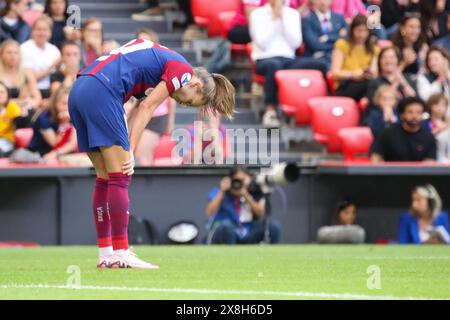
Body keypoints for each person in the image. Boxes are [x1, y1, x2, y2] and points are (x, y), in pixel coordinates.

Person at [69, 38, 235, 269]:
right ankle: (121, 251)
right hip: (102, 91)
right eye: (192, 103)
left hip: (80, 90)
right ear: (196, 87)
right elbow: (147, 108)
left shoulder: (161, 63)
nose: (184, 104)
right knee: (120, 176)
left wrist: (123, 142)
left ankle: (106, 253)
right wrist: (130, 151)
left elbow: (138, 107)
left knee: (104, 177)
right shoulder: (183, 71)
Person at [250, 0, 327, 128]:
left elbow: (295, 43)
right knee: (274, 66)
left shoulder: (292, 14)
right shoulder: (258, 14)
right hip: (264, 59)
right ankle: (270, 110)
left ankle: (321, 111)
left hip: (288, 59)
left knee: (321, 65)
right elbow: (262, 42)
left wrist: (283, 18)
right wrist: (275, 19)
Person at [205, 167, 281, 244]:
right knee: (227, 226)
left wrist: (246, 195)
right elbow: (209, 212)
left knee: (273, 226)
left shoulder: (254, 191)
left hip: (248, 229)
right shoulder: (220, 191)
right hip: (227, 229)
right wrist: (222, 191)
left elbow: (260, 213)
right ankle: (230, 255)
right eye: (236, 180)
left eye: (242, 180)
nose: (239, 183)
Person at [133, 30, 176, 166]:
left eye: (146, 42)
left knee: (142, 153)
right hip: (138, 113)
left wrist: (170, 121)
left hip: (157, 116)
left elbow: (171, 94)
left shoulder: (161, 65)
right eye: (139, 42)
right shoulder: (133, 65)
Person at [370, 96, 437, 162]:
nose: (414, 116)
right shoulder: (388, 133)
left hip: (419, 173)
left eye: (419, 112)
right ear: (402, 115)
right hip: (391, 172)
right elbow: (376, 156)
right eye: (410, 112)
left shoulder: (428, 137)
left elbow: (430, 161)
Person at [331, 15, 379, 102]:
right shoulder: (342, 45)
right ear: (352, 30)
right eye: (359, 30)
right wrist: (352, 75)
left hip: (365, 84)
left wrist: (368, 73)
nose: (362, 35)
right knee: (372, 85)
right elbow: (334, 73)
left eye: (365, 31)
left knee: (377, 84)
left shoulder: (373, 48)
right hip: (345, 85)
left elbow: (374, 72)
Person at [27, 85, 77, 160]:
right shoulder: (43, 118)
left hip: (58, 154)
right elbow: (55, 143)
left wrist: (70, 122)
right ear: (55, 103)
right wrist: (64, 124)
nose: (68, 107)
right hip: (38, 155)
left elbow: (72, 144)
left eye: (70, 103)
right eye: (64, 103)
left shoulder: (73, 117)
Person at [21, 15, 61, 99]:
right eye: (38, 29)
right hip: (30, 91)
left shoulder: (54, 50)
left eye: (45, 30)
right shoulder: (24, 48)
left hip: (51, 91)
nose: (42, 33)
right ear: (32, 31)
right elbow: (30, 78)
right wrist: (52, 66)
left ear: (50, 32)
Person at [302, 0, 348, 69]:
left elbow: (347, 38)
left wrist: (328, 38)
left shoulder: (339, 18)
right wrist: (338, 39)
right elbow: (315, 45)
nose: (323, 2)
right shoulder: (307, 20)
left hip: (339, 55)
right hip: (318, 59)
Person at [0, 39, 42, 111]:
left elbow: (37, 98)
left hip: (23, 111)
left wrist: (29, 104)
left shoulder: (27, 73)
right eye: (9, 52)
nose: (12, 56)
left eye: (16, 53)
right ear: (1, 54)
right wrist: (21, 101)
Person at [423, 93, 450, 162]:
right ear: (430, 106)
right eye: (436, 104)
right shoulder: (425, 123)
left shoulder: (447, 122)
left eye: (443, 105)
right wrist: (440, 128)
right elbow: (424, 139)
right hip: (432, 159)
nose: (440, 108)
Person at [0, 81, 22, 157]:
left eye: (2, 92)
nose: (0, 95)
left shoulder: (12, 107)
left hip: (7, 140)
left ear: (7, 94)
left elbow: (19, 123)